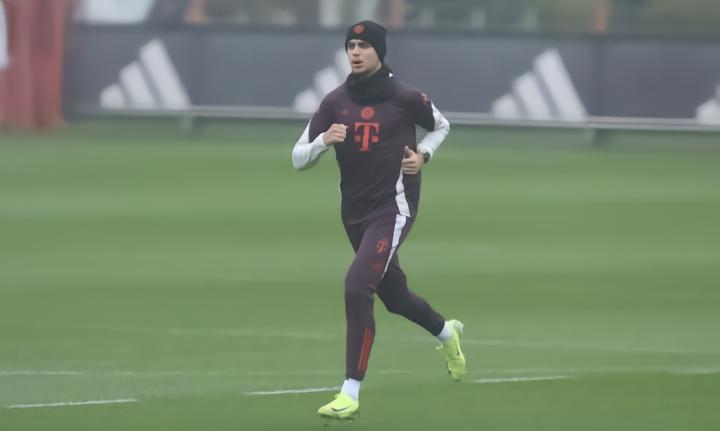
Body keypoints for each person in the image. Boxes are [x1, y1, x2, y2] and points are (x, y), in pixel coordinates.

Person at [292, 20, 465, 420]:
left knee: (357, 287)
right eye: (351, 45)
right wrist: (323, 142)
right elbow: (298, 157)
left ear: (379, 52)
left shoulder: (404, 97)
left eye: (364, 46)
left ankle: (349, 392)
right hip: (354, 214)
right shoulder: (335, 102)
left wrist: (423, 155)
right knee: (395, 297)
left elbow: (441, 125)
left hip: (394, 208)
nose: (355, 52)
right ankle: (447, 332)